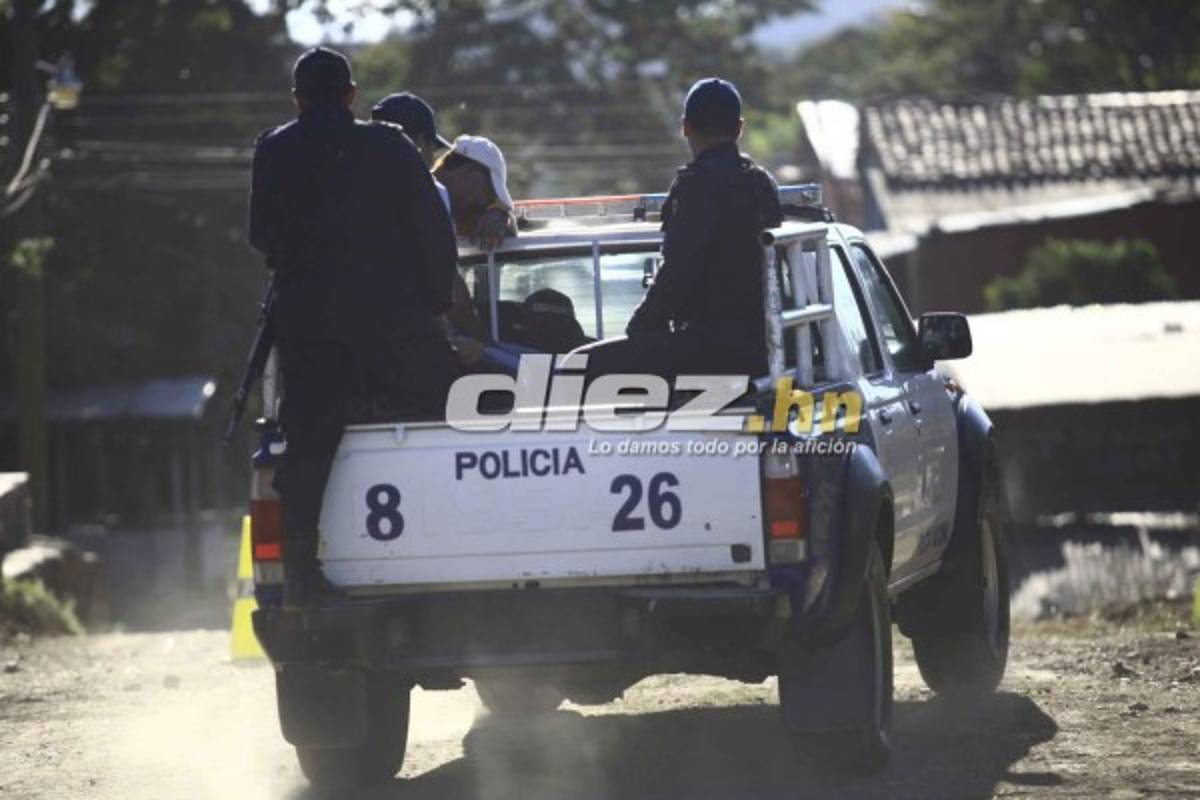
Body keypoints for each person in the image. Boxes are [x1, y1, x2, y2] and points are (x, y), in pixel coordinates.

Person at [248, 48, 460, 605]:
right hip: (391, 328)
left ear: (297, 100)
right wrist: (436, 306)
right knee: (459, 410)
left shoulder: (274, 149)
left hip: (310, 330)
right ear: (351, 95)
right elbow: (434, 238)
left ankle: (302, 572)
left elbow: (262, 237)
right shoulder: (390, 145)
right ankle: (459, 542)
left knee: (310, 447)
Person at [573, 77, 783, 382]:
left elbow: (680, 268)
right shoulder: (761, 183)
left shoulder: (696, 187)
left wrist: (642, 324)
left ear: (685, 127)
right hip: (764, 345)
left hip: (710, 347)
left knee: (579, 366)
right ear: (739, 128)